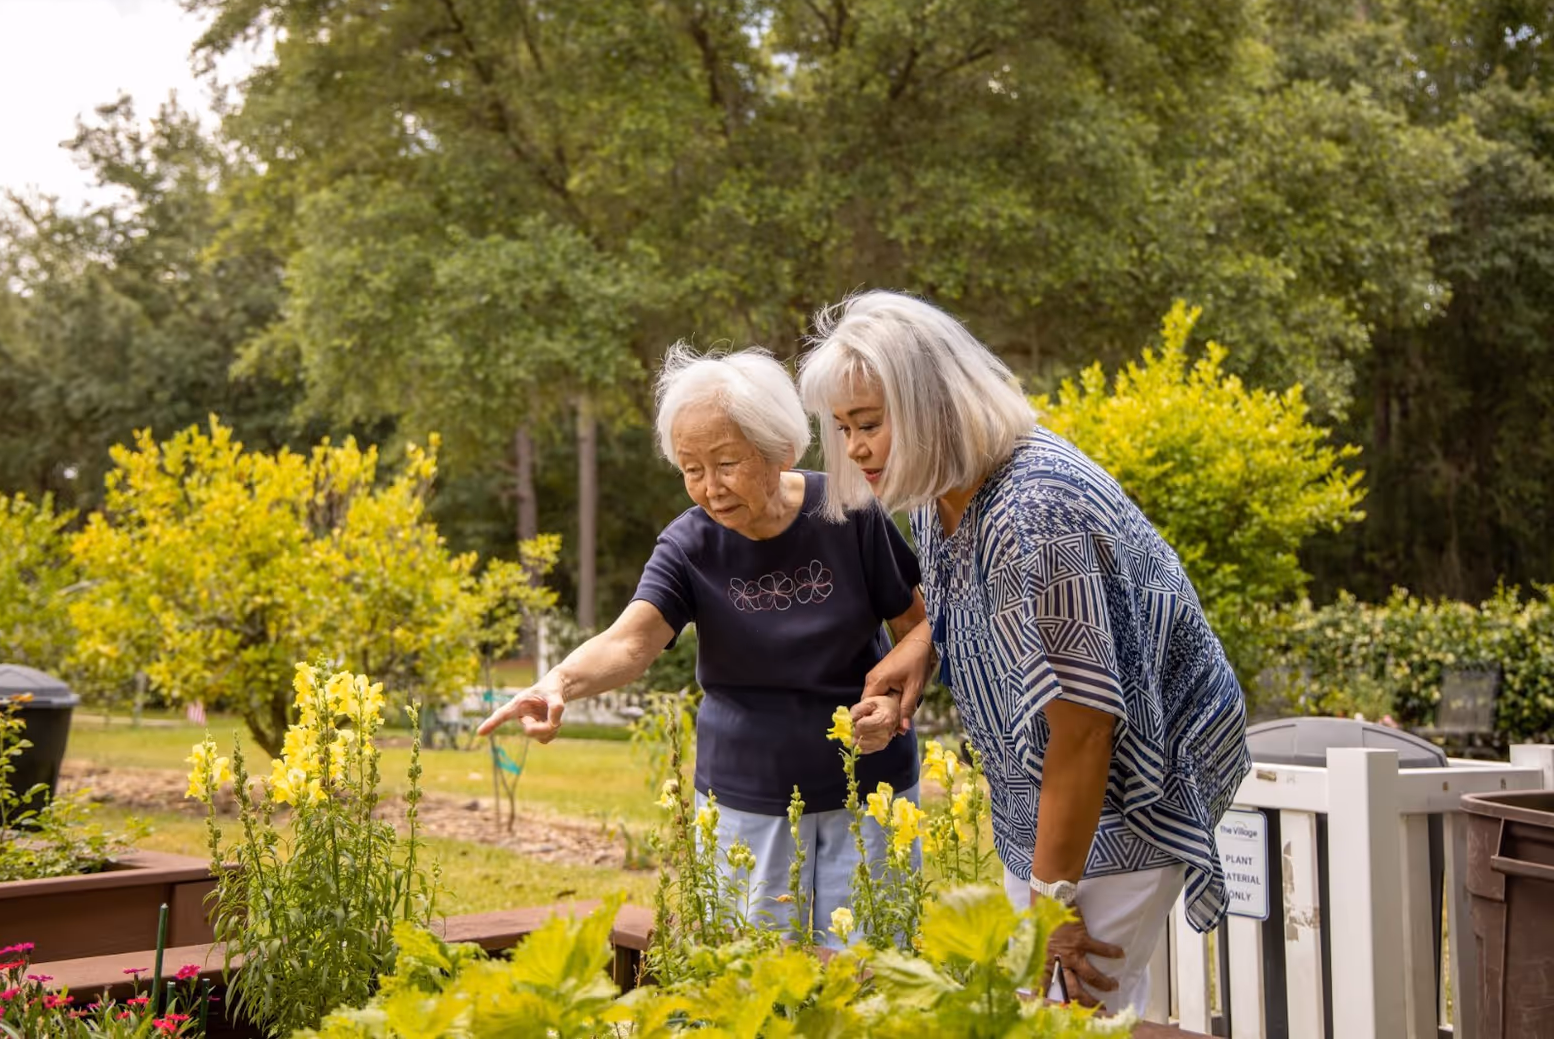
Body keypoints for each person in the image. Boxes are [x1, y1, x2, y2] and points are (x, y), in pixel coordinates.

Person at [798, 291, 1250, 1014]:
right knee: (1028, 998)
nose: (854, 449)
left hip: (1131, 786)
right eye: (845, 427)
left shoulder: (1034, 513)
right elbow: (977, 605)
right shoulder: (935, 485)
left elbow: (1086, 726)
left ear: (928, 406)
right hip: (1049, 788)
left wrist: (1054, 908)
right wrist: (921, 648)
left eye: (871, 424)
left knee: (1072, 1010)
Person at [477, 343, 933, 947]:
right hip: (749, 801)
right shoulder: (689, 545)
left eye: (725, 463)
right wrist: (556, 683)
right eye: (691, 469)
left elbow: (918, 629)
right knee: (757, 978)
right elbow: (631, 641)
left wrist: (898, 704)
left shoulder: (848, 511)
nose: (709, 488)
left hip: (870, 788)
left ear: (780, 451)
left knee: (875, 970)